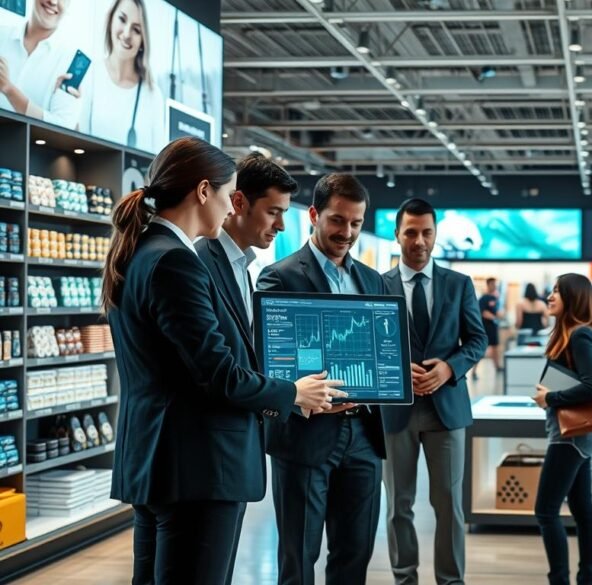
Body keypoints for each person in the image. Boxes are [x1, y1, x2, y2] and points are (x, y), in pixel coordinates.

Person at [101, 137, 340, 585]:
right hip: (197, 468)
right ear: (203, 191)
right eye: (229, 196)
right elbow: (217, 373)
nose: (231, 209)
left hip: (159, 463)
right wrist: (291, 393)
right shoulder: (177, 262)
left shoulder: (140, 252)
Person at [257, 173, 388, 585]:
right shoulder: (279, 277)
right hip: (305, 434)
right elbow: (268, 360)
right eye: (337, 220)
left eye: (355, 223)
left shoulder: (372, 281)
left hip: (364, 435)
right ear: (314, 215)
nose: (346, 232)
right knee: (298, 558)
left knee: (355, 555)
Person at [381, 197, 488, 585]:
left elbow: (477, 340)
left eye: (427, 232)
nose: (420, 241)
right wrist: (394, 370)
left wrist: (449, 367)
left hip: (447, 408)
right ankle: (404, 578)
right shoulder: (378, 284)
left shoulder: (458, 285)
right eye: (411, 232)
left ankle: (450, 580)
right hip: (396, 410)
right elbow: (367, 344)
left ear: (436, 234)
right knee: (398, 506)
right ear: (397, 235)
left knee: (449, 505)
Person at [531, 273, 592, 585]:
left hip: (570, 435)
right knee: (582, 510)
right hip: (577, 435)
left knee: (546, 511)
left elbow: (591, 387)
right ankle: (587, 579)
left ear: (573, 298)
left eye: (557, 292)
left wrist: (551, 397)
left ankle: (560, 580)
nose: (550, 296)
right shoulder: (574, 334)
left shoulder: (579, 336)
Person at [195, 152, 295, 330]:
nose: (281, 226)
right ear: (239, 202)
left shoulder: (241, 266)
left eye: (283, 213)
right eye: (272, 213)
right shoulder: (200, 262)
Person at [79, 0, 166, 152]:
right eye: (122, 19)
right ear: (111, 19)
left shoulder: (152, 94)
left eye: (136, 30)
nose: (126, 34)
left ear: (143, 42)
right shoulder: (89, 74)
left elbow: (158, 158)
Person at [0, 0, 85, 129]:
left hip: (31, 148)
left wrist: (9, 89)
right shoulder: (2, 37)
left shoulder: (73, 61)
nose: (53, 2)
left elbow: (63, 129)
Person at [479, 277, 503, 371]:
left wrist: (499, 316)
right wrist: (495, 318)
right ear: (488, 285)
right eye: (492, 284)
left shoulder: (494, 298)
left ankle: (497, 366)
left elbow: (496, 311)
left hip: (493, 327)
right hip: (485, 327)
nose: (494, 286)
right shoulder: (484, 298)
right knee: (482, 349)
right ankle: (474, 371)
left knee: (495, 348)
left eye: (495, 284)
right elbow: (483, 312)